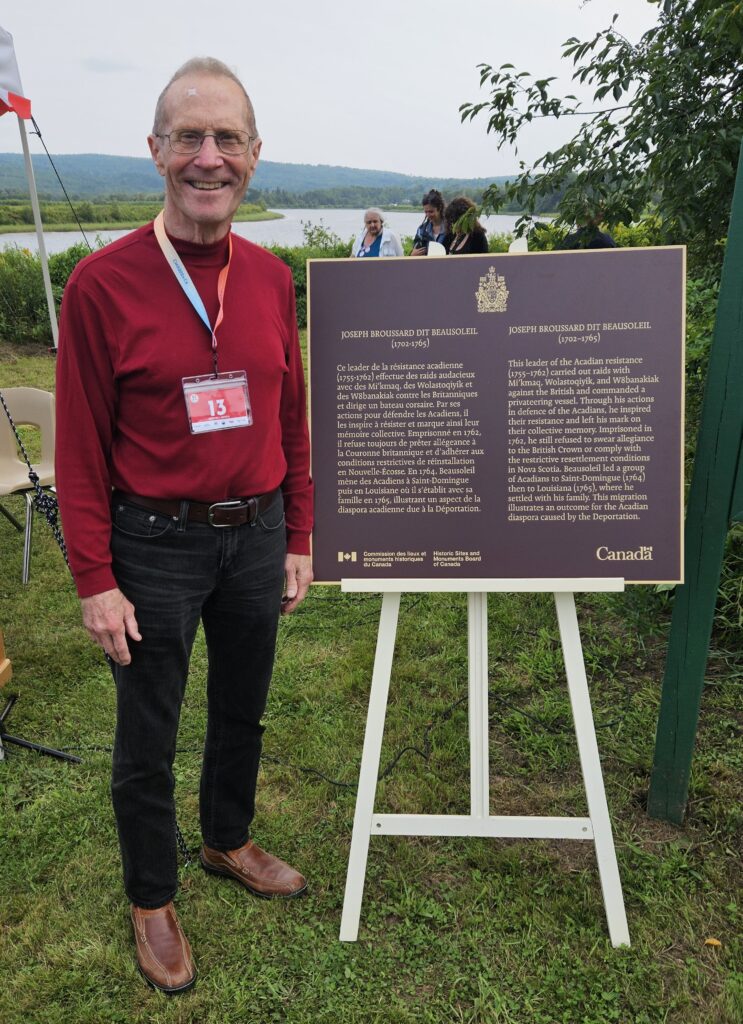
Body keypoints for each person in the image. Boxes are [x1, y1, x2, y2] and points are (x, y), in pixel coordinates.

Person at [55, 57, 313, 994]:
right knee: (148, 731)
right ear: (156, 151)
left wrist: (298, 535)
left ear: (253, 155)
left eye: (227, 139)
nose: (209, 157)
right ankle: (152, 895)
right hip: (152, 544)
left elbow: (291, 414)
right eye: (190, 138)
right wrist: (94, 578)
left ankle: (227, 839)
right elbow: (80, 448)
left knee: (241, 707)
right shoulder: (101, 285)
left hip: (254, 534)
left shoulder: (272, 278)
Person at [410, 188, 447, 255]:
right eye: (426, 212)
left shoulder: (450, 229)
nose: (428, 215)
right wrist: (412, 255)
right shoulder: (421, 230)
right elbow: (415, 251)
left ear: (440, 208)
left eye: (431, 212)